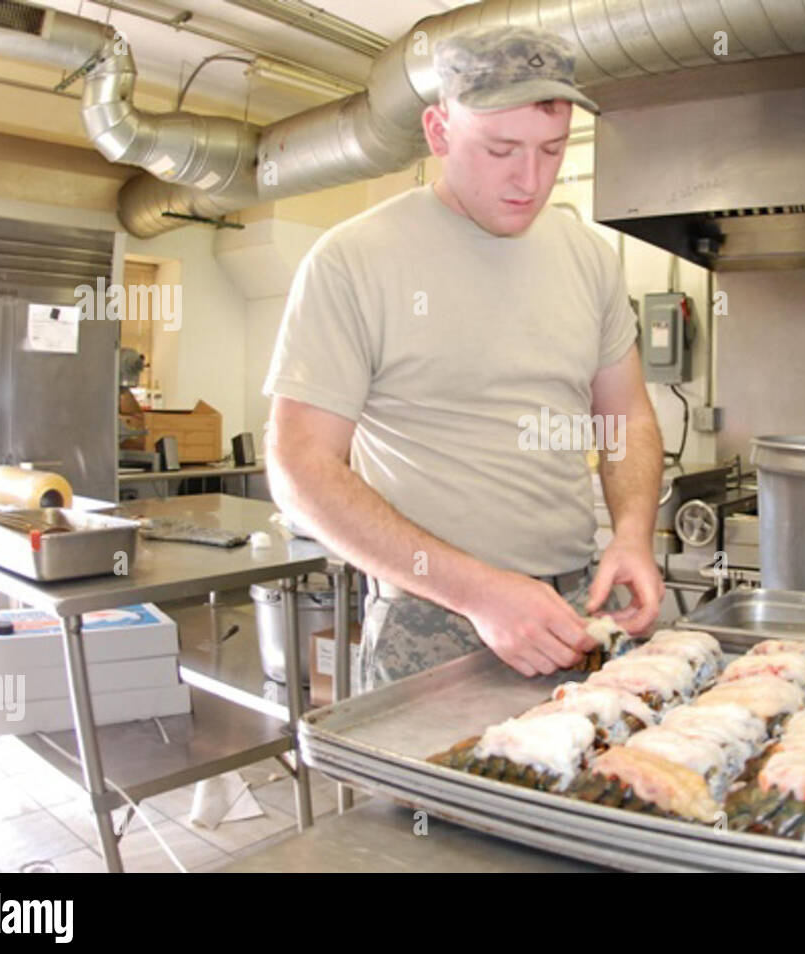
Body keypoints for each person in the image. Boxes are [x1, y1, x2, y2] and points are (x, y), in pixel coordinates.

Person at [263, 25, 664, 691]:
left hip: (573, 607)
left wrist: (631, 535)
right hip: (432, 615)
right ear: (439, 131)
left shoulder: (588, 256)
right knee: (425, 801)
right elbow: (299, 467)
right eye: (501, 149)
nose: (530, 180)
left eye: (553, 149)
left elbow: (627, 418)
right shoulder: (354, 259)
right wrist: (480, 592)